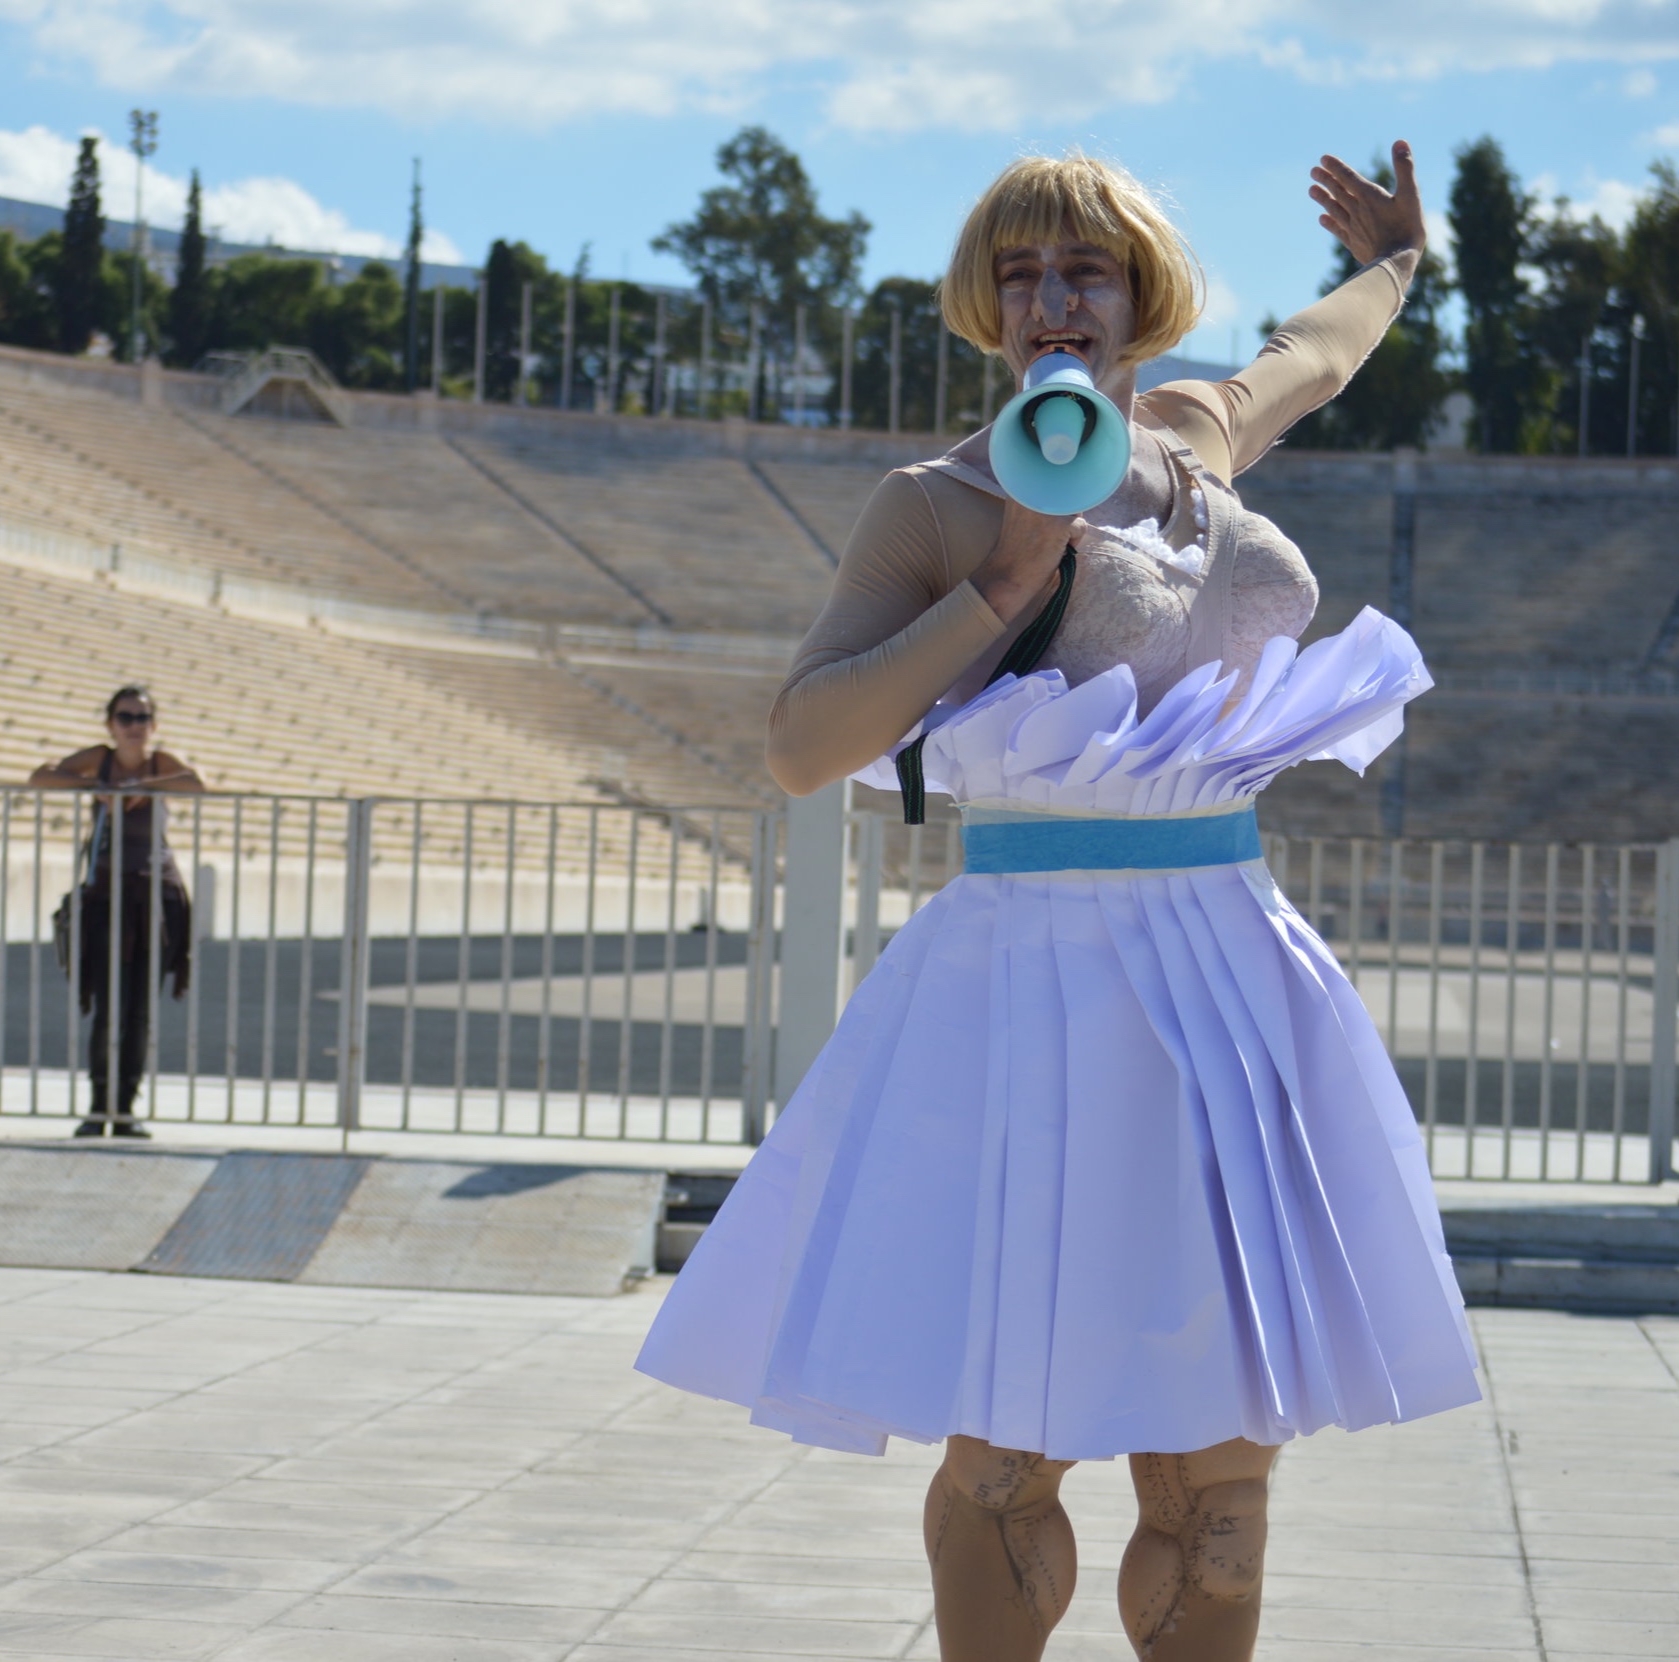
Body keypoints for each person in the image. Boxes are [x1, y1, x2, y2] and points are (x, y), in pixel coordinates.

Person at [634, 145, 1481, 1662]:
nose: (1049, 300)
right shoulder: (939, 502)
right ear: (986, 308)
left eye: (1080, 269)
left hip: (1226, 974)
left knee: (1222, 1476)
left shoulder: (1194, 431)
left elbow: (1319, 356)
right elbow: (801, 744)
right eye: (1017, 275)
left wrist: (1399, 264)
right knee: (1011, 1448)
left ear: (1138, 297)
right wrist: (1005, 576)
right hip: (1028, 986)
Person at [30, 685, 204, 1136]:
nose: (133, 727)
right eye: (125, 718)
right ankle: (98, 1107)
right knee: (109, 1004)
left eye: (142, 718)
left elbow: (195, 784)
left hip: (156, 896)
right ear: (110, 723)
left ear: (154, 725)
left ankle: (125, 1108)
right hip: (107, 895)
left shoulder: (158, 762)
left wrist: (143, 785)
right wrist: (96, 786)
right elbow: (41, 777)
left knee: (140, 1009)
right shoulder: (100, 759)